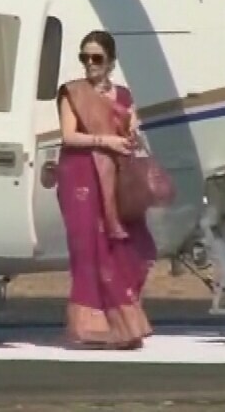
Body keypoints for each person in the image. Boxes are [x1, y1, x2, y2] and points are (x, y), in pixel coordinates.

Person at [56, 30, 157, 350]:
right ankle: (91, 329)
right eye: (84, 57)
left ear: (111, 61)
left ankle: (123, 326)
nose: (90, 64)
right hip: (81, 177)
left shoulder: (124, 96)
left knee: (126, 249)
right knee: (89, 250)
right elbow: (68, 137)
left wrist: (129, 137)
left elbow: (131, 135)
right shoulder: (72, 93)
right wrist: (105, 142)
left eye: (96, 58)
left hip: (116, 178)